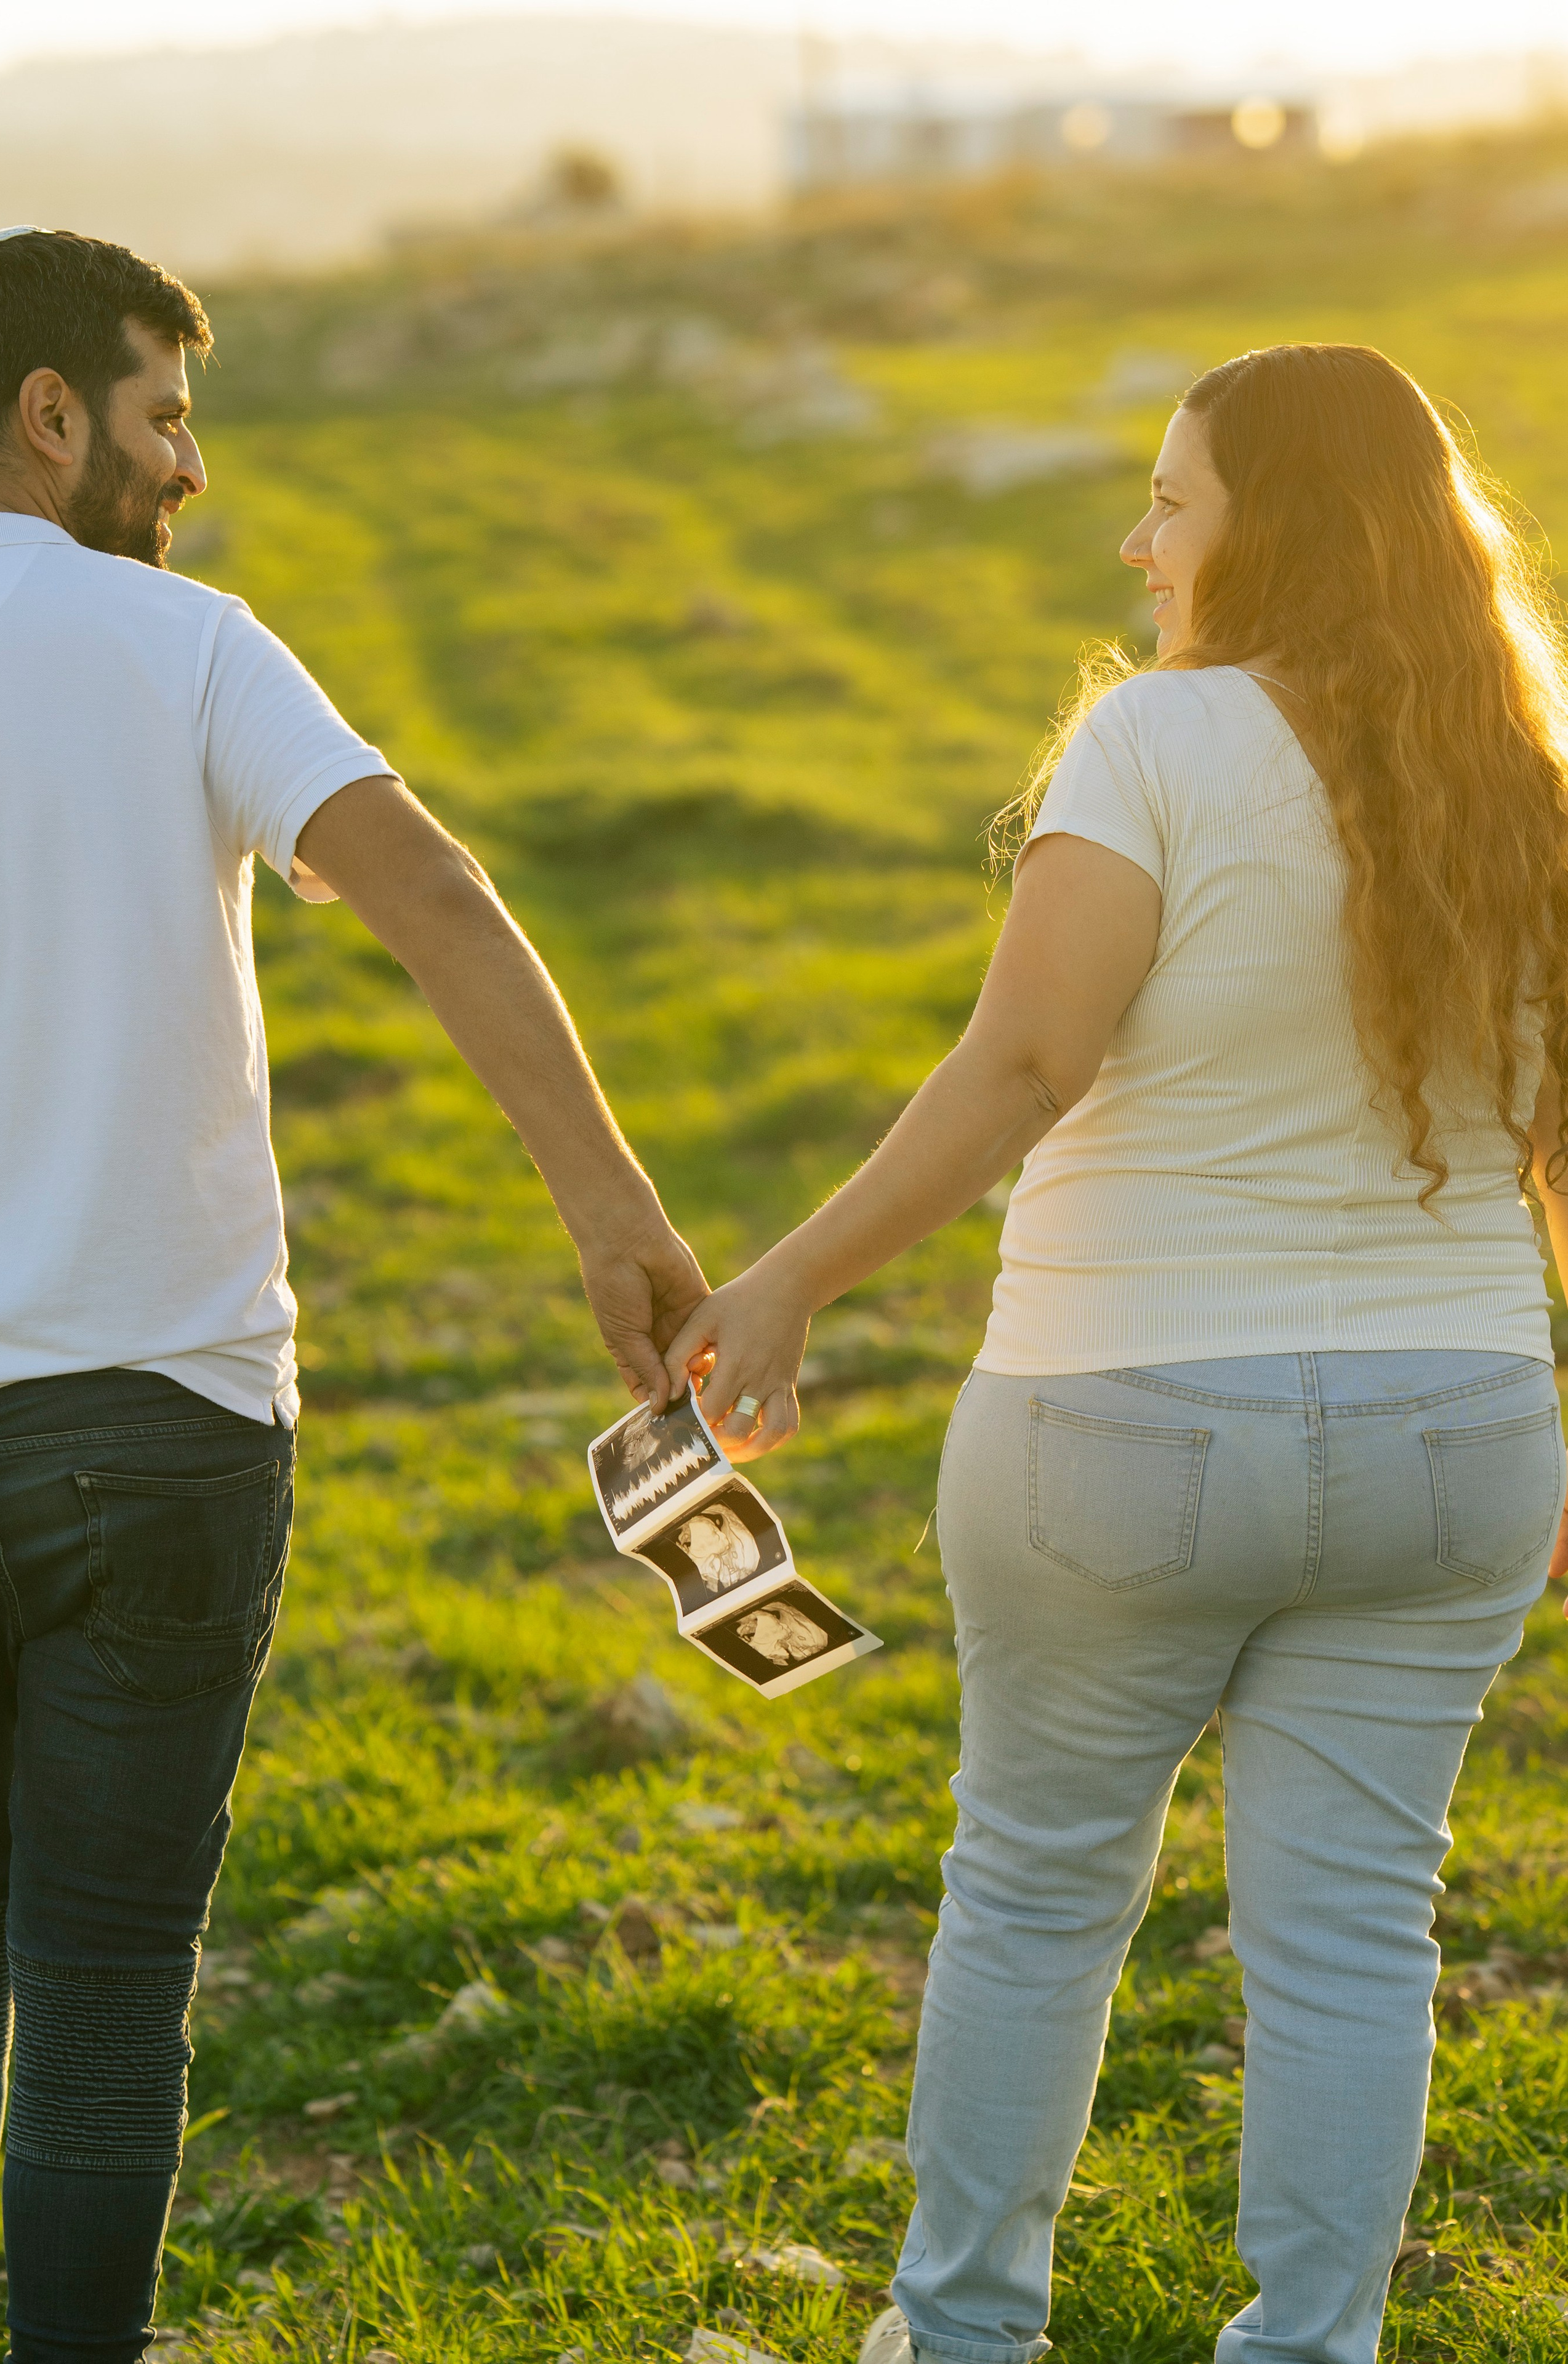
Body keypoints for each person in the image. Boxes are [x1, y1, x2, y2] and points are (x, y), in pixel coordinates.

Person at [668, 342, 1568, 2364]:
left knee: (1041, 1899)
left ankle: (970, 2335)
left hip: (1126, 1417)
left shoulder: (1158, 742)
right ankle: (1312, 2346)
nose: (1138, 540)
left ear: (1276, 529)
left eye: (1173, 500)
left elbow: (1027, 1058)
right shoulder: (1534, 767)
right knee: (1356, 1937)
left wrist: (794, 1277)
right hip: (1456, 1428)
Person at [0, 227, 706, 2363]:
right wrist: (610, 1216)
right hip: (165, 1420)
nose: (188, 465)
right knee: (108, 1994)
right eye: (165, 413)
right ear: (48, 416)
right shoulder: (188, 650)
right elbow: (435, 890)